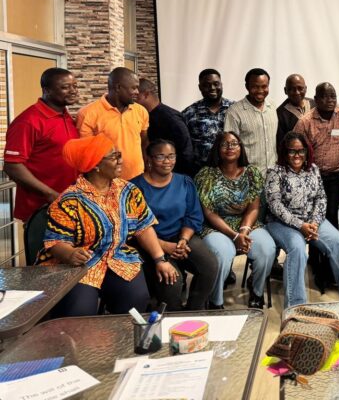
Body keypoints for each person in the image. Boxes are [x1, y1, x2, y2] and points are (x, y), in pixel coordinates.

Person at [38, 134, 177, 317]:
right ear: (95, 165)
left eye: (119, 155)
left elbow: (144, 228)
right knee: (80, 311)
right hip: (80, 266)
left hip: (119, 259)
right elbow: (56, 242)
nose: (120, 160)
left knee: (136, 302)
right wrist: (70, 253)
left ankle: (120, 335)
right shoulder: (69, 200)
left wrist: (160, 260)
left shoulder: (128, 191)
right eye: (114, 157)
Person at [264, 131, 339, 308]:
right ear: (285, 152)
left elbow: (321, 197)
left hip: (312, 220)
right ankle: (296, 305)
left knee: (337, 241)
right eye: (292, 151)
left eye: (301, 151)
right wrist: (301, 226)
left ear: (307, 151)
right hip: (281, 223)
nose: (297, 155)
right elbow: (275, 205)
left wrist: (314, 223)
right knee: (298, 249)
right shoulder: (275, 172)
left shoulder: (313, 169)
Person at [131, 140, 218, 311]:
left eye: (171, 156)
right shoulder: (134, 187)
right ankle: (173, 316)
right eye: (161, 157)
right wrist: (165, 247)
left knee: (209, 265)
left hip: (181, 236)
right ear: (149, 159)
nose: (167, 161)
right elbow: (135, 229)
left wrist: (183, 240)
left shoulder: (184, 182)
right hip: (150, 244)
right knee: (172, 280)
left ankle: (195, 311)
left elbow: (193, 215)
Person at [194, 131, 276, 309]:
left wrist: (243, 231)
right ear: (217, 149)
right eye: (224, 144)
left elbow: (254, 207)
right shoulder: (206, 175)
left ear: (241, 148)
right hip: (215, 226)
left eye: (234, 143)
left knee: (267, 249)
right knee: (223, 253)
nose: (229, 147)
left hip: (246, 223)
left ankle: (257, 292)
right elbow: (209, 213)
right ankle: (216, 301)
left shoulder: (252, 173)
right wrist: (234, 236)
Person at [4, 68, 79, 222]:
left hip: (70, 206)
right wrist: (50, 194)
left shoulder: (66, 117)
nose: (73, 91)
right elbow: (12, 166)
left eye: (74, 86)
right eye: (65, 87)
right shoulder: (28, 121)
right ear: (47, 90)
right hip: (41, 210)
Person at [294, 83, 339, 229]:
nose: (330, 100)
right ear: (316, 99)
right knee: (314, 216)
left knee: (333, 214)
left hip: (337, 175)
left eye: (333, 96)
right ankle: (315, 243)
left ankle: (333, 242)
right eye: (324, 97)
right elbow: (294, 149)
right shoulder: (305, 122)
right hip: (313, 176)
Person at [76, 67, 149, 181]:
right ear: (118, 87)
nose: (137, 92)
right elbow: (86, 154)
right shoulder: (87, 114)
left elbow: (144, 143)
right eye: (133, 88)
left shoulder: (141, 111)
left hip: (137, 179)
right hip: (105, 182)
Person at [224, 68, 278, 176]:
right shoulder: (234, 112)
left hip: (273, 175)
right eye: (255, 87)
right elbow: (229, 148)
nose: (260, 91)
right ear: (247, 86)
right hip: (248, 176)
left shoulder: (272, 106)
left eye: (264, 86)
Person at [136, 78, 195, 176]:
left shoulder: (170, 118)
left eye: (136, 97)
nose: (133, 102)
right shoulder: (142, 116)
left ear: (146, 95)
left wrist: (175, 178)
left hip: (174, 176)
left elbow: (186, 151)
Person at [182, 69, 234, 173]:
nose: (212, 88)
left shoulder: (234, 109)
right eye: (207, 85)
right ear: (200, 87)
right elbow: (185, 145)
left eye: (216, 84)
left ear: (221, 84)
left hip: (231, 171)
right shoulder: (189, 113)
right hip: (201, 172)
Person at [276, 74, 315, 145]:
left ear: (305, 88)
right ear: (285, 90)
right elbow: (281, 144)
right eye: (292, 89)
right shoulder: (280, 114)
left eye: (300, 88)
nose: (297, 92)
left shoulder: (314, 104)